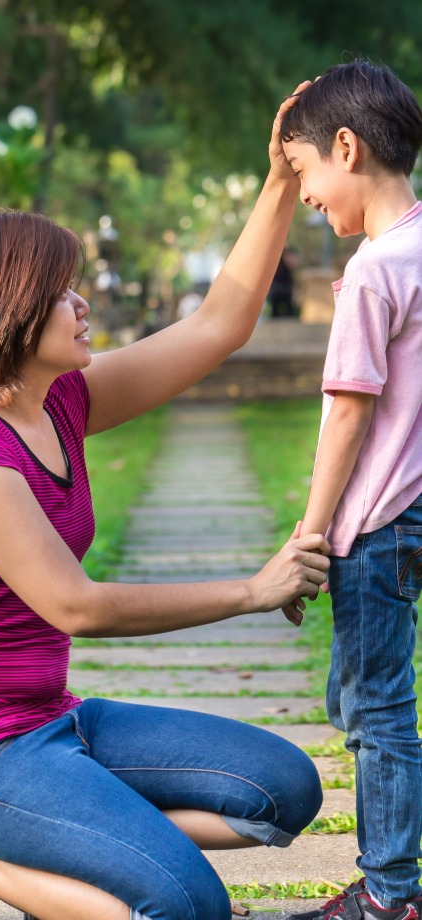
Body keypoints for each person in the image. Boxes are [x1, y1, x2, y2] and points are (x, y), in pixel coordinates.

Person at [0, 90, 330, 920]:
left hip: (58, 719)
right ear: (7, 305)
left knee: (283, 788)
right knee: (187, 908)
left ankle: (89, 836)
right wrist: (253, 591)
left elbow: (218, 325)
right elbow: (77, 605)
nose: (83, 304)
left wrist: (281, 176)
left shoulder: (60, 401)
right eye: (63, 292)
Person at [279, 60, 422, 920]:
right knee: (359, 697)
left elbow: (347, 415)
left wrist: (312, 531)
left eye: (302, 173)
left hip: (376, 521)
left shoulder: (375, 270)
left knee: (375, 713)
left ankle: (391, 894)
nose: (302, 195)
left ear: (346, 147)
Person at [267, 245, 298, 318]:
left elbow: (292, 264)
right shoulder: (273, 253)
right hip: (275, 287)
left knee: (289, 312)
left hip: (286, 287)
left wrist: (286, 253)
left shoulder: (288, 252)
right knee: (274, 313)